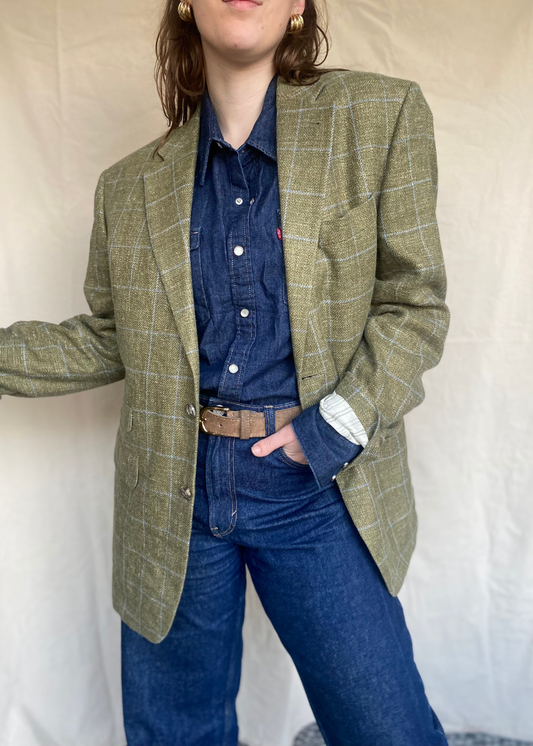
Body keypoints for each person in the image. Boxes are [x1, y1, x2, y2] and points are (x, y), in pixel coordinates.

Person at [0, 0, 451, 743]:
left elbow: (414, 304)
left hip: (318, 485)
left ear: (299, 4)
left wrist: (329, 430)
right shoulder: (127, 187)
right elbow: (111, 339)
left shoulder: (378, 117)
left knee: (385, 729)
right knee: (177, 733)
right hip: (172, 492)